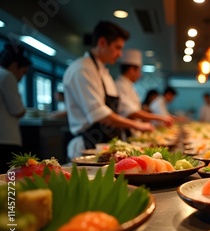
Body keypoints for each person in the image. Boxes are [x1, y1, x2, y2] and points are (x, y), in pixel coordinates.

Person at [63, 21, 154, 159]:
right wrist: (137, 125)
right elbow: (100, 114)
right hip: (89, 147)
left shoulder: (104, 72)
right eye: (117, 48)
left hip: (105, 146)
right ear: (102, 42)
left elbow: (112, 112)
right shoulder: (82, 69)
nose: (120, 54)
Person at [115, 49, 174, 126]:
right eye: (139, 71)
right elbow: (130, 112)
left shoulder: (128, 85)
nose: (140, 75)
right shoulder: (120, 85)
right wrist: (160, 118)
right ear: (132, 70)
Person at [0, 44, 31, 172]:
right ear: (14, 65)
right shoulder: (7, 76)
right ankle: (11, 194)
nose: (21, 77)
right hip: (7, 140)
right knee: (10, 179)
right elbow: (18, 110)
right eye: (23, 72)